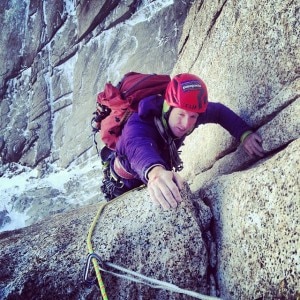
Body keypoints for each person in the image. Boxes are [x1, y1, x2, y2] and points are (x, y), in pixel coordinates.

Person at [101, 73, 264, 209]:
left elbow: (219, 112)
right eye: (181, 115)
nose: (186, 124)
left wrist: (244, 133)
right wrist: (155, 172)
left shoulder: (189, 110)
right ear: (167, 107)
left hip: (156, 171)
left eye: (193, 117)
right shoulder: (138, 123)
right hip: (124, 183)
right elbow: (138, 146)